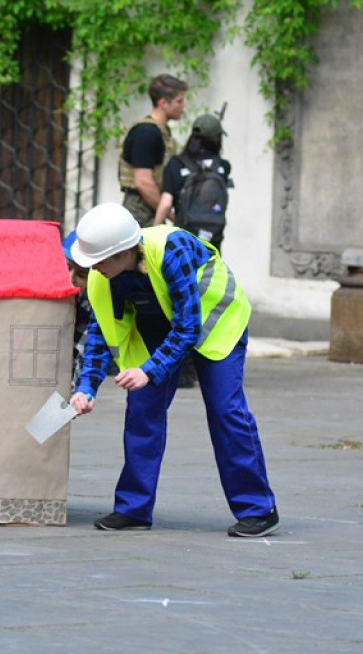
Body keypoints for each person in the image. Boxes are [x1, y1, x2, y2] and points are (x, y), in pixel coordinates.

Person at [68, 202, 280, 537]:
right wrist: (86, 388)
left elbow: (187, 327)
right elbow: (100, 332)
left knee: (226, 410)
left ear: (124, 251)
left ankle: (258, 509)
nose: (92, 268)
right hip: (158, 326)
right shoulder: (102, 276)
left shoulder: (171, 250)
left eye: (99, 260)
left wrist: (149, 371)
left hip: (214, 318)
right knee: (142, 408)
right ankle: (133, 509)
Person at [153, 113, 233, 253]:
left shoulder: (176, 164)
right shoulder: (223, 166)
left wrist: (153, 235)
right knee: (210, 273)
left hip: (183, 240)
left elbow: (166, 204)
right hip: (212, 241)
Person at [119, 74, 188, 227]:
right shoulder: (146, 133)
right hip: (141, 210)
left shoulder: (160, 131)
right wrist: (169, 214)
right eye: (179, 101)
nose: (183, 106)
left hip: (150, 208)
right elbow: (143, 182)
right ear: (163, 102)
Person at [63, 230, 92, 390]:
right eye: (67, 268)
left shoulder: (87, 310)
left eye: (81, 274)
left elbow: (78, 355)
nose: (71, 278)